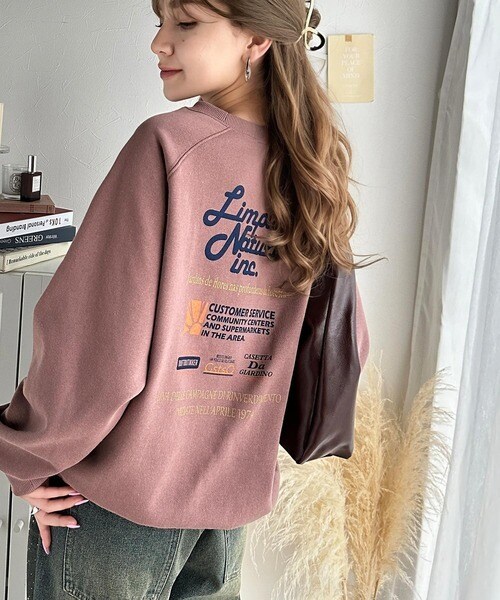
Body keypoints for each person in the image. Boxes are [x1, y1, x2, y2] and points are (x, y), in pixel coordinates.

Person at [0, 0, 377, 598]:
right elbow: (344, 344)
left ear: (255, 39)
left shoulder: (168, 147)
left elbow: (96, 343)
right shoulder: (310, 169)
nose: (159, 43)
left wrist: (22, 456)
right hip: (225, 518)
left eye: (187, 22)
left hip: (115, 508)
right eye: (161, 22)